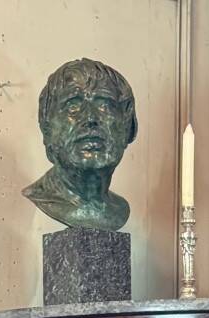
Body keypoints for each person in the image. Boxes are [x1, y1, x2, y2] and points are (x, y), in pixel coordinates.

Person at [24, 58, 137, 231]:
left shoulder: (118, 209)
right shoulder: (42, 198)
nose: (90, 118)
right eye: (73, 106)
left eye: (104, 105)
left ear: (128, 127)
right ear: (47, 128)